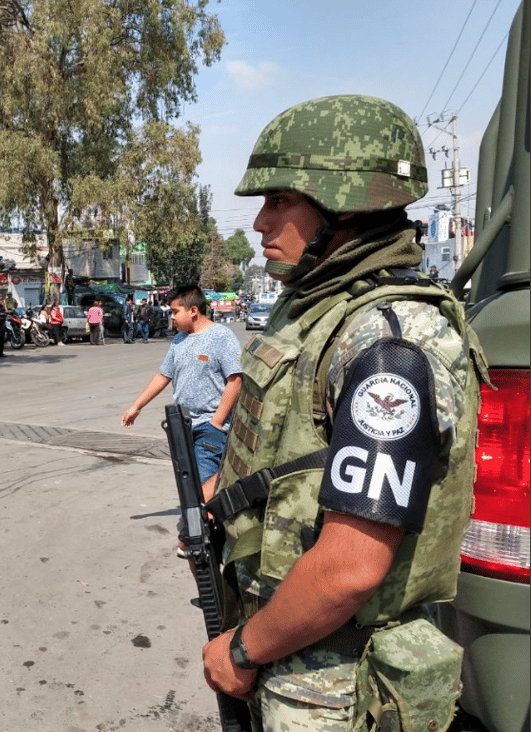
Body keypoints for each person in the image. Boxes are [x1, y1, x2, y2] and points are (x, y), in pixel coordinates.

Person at [199, 96, 486, 731]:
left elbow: (351, 568)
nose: (260, 223)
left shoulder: (387, 341)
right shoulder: (317, 310)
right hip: (295, 650)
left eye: (280, 201)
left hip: (336, 684)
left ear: (346, 205)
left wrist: (244, 650)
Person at [121, 285, 241, 486]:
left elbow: (235, 380)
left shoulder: (222, 337)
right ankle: (197, 516)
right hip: (183, 427)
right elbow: (162, 375)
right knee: (188, 486)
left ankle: (206, 516)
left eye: (176, 311)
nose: (172, 317)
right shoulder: (179, 340)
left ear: (193, 310)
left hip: (209, 427)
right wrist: (136, 406)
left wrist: (217, 423)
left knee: (205, 487)